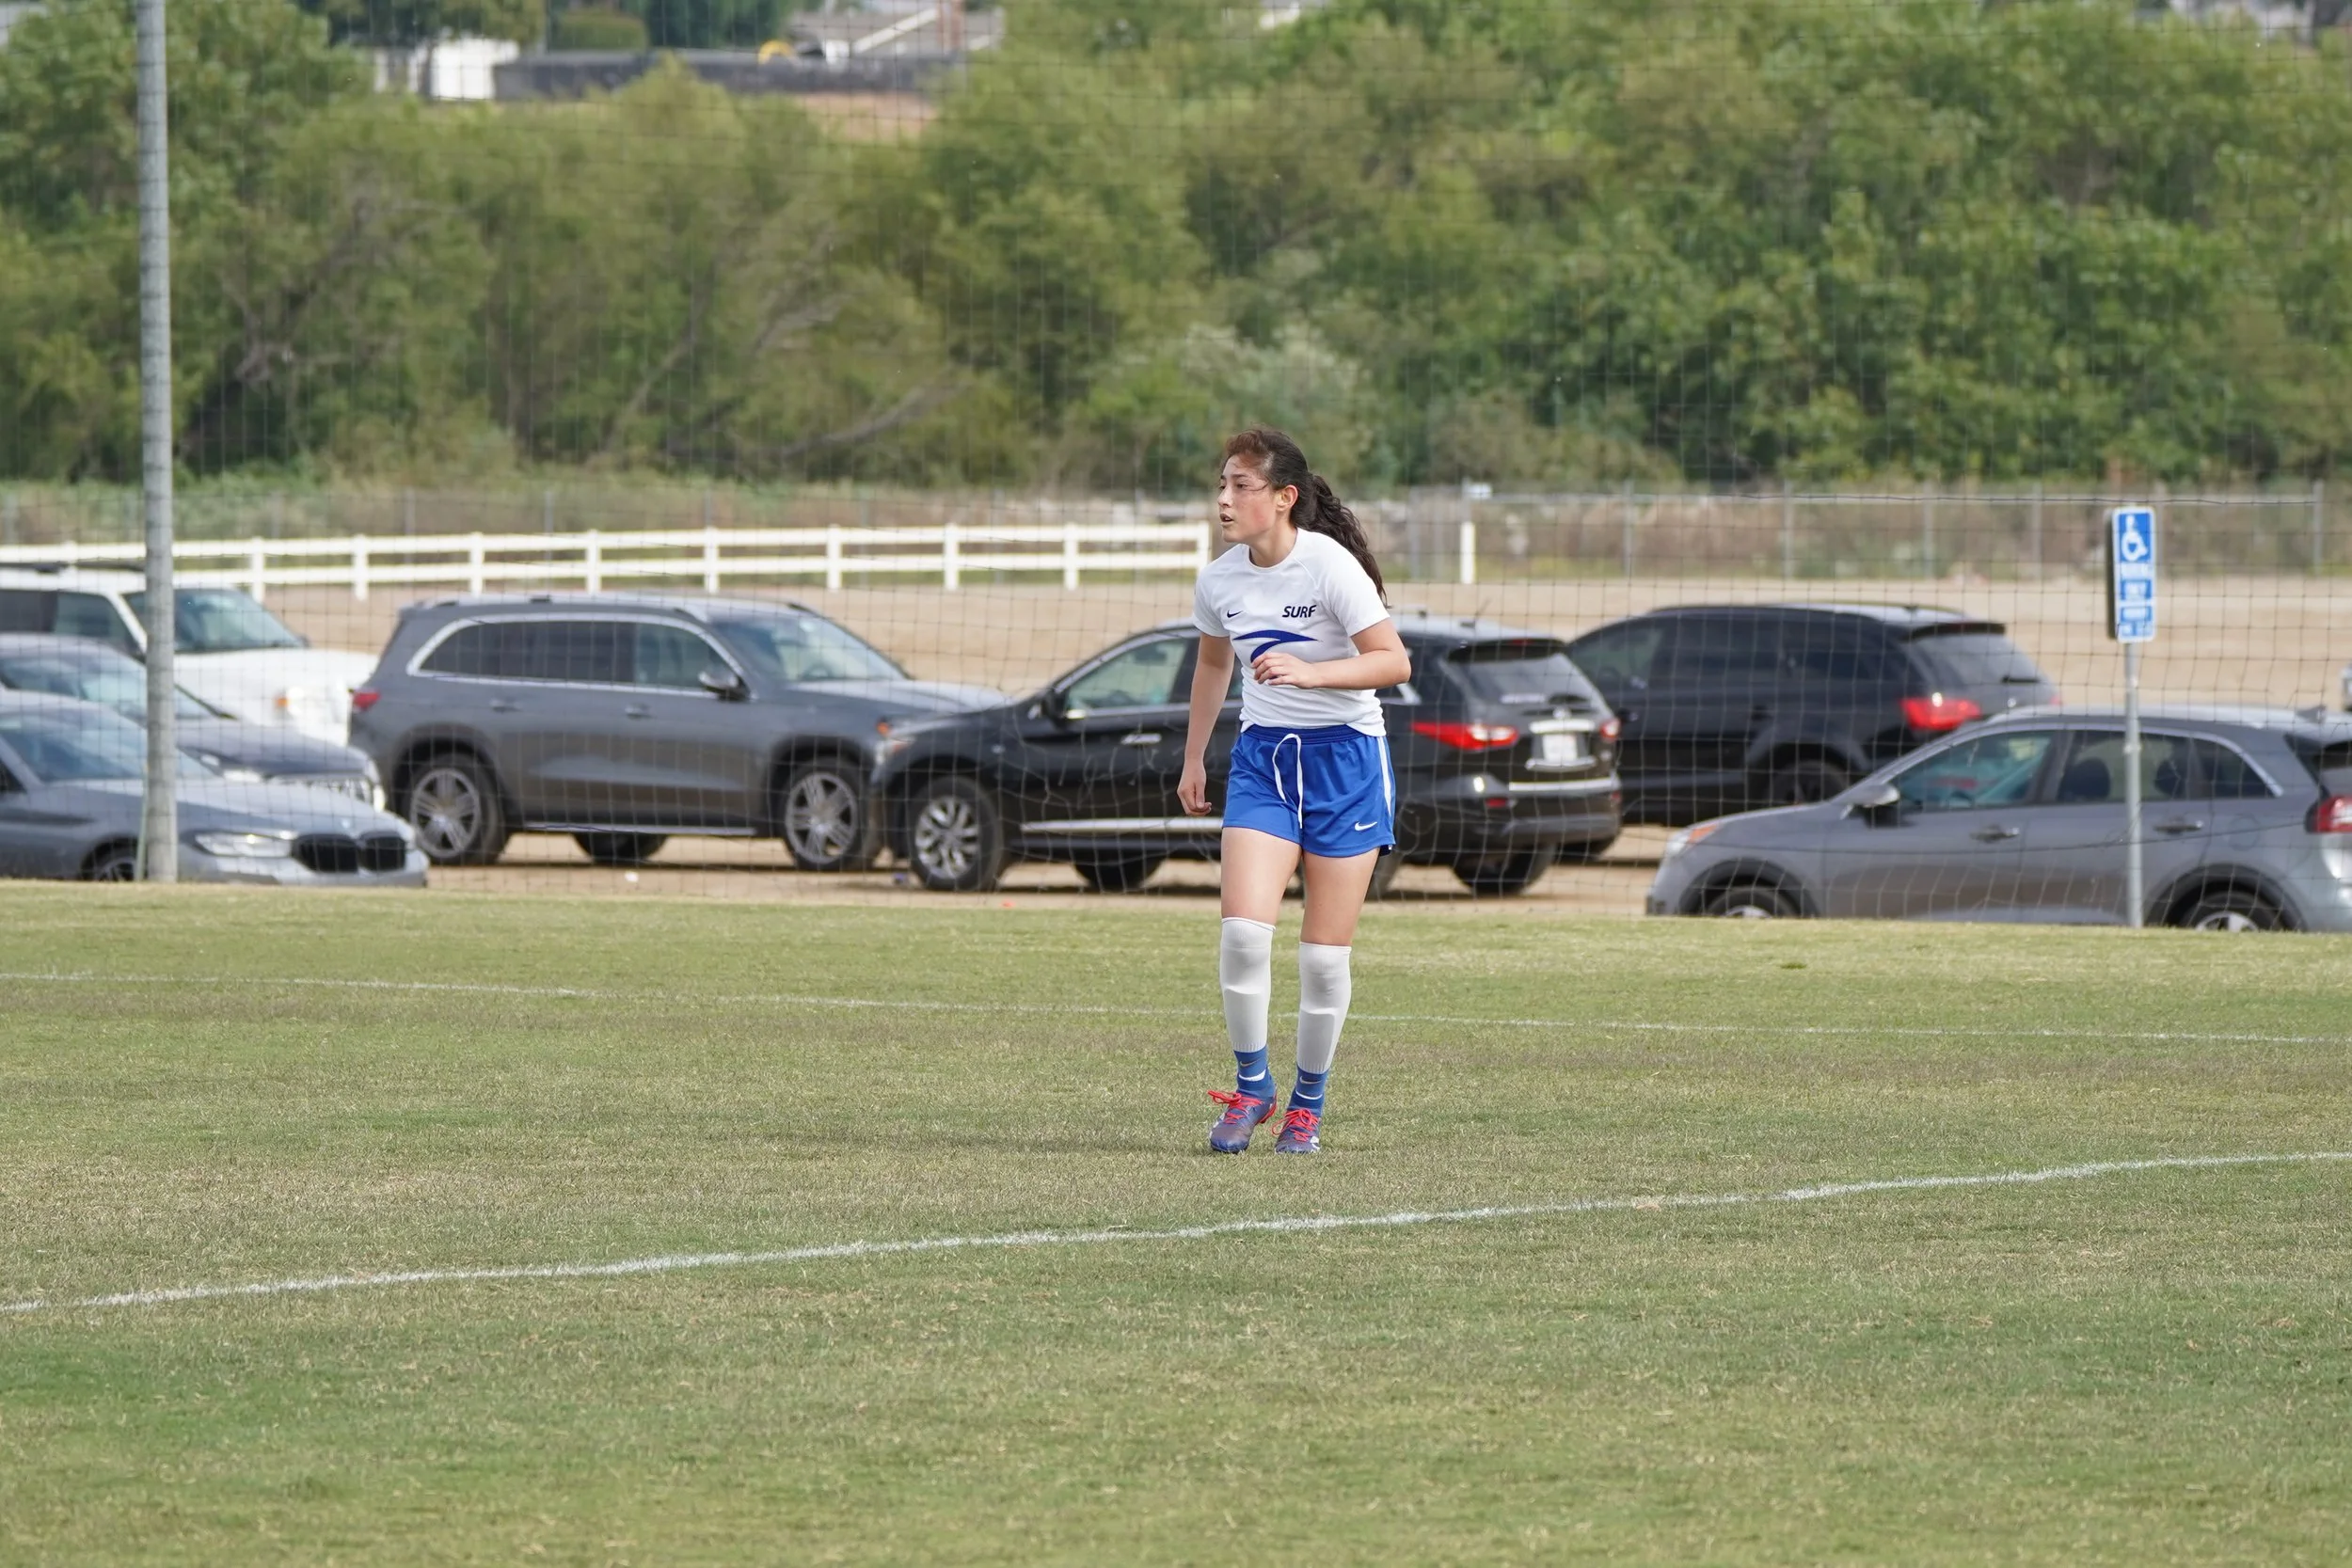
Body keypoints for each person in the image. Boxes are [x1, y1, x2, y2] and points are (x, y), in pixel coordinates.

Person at [1178, 428, 1409, 1155]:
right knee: (1244, 935)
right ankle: (1253, 1088)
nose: (1224, 498)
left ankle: (1306, 1106)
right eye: (1222, 483)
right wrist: (1193, 759)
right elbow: (1215, 666)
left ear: (1284, 498)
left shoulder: (1329, 565)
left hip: (1347, 764)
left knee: (1321, 958)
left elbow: (1393, 661)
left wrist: (1314, 673)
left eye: (1241, 485)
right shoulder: (1219, 580)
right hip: (1264, 763)